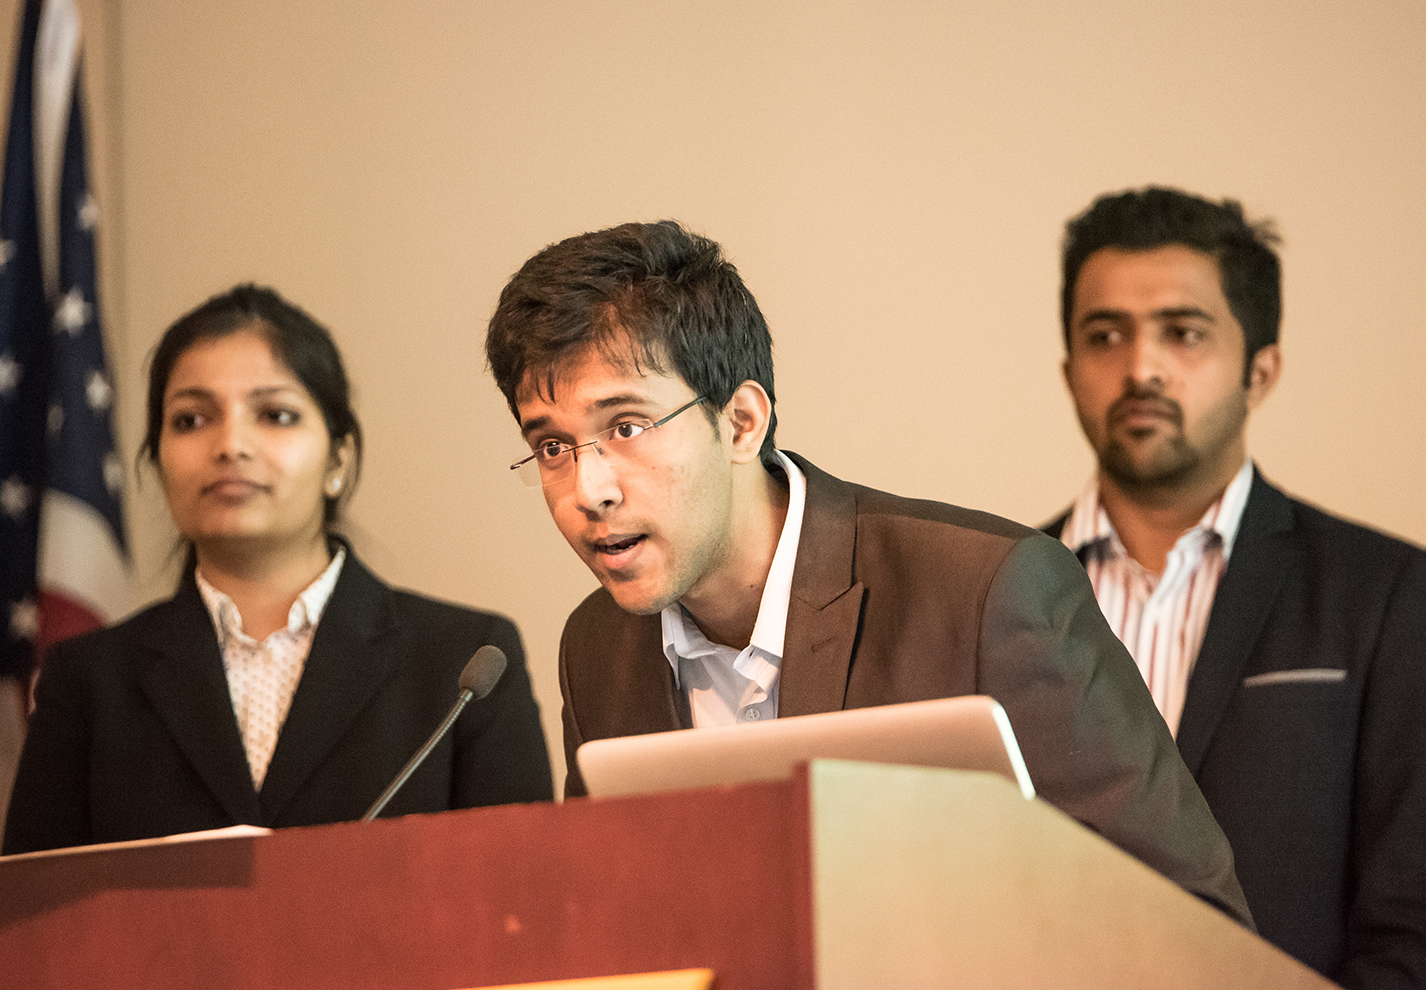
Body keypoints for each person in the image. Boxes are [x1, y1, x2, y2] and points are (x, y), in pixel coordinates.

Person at [484, 219, 1251, 925]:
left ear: (741, 422)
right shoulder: (597, 647)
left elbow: (1193, 923)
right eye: (553, 446)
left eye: (626, 427)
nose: (589, 489)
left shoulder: (986, 592)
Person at [4, 284, 552, 853]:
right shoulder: (87, 681)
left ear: (338, 459)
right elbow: (31, 924)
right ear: (156, 458)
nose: (231, 444)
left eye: (275, 414)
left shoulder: (465, 663)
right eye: (191, 419)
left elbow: (518, 898)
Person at [1046, 187, 1426, 990]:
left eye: (1183, 333)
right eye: (1104, 335)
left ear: (1262, 369)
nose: (1140, 367)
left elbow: (1411, 929)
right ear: (1069, 368)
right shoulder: (990, 587)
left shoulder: (1388, 597)